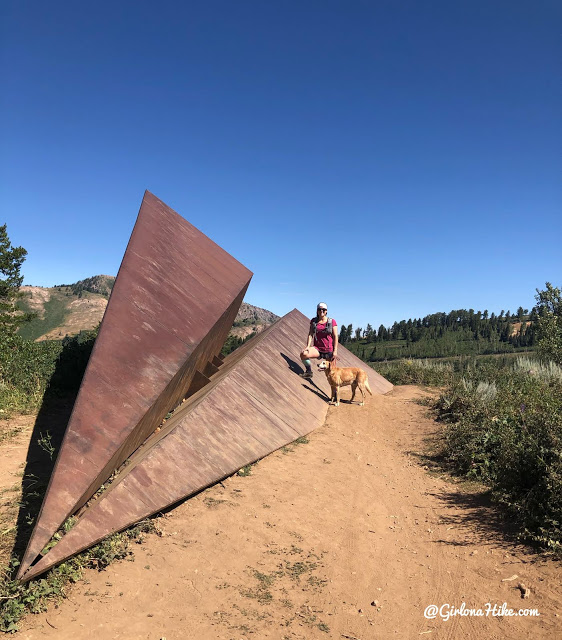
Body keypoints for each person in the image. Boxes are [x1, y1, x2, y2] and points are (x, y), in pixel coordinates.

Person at [299, 302, 338, 379]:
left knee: (332, 374)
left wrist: (335, 350)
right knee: (303, 354)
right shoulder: (314, 321)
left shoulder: (331, 322)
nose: (321, 311)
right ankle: (309, 372)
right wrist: (308, 346)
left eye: (324, 309)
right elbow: (310, 334)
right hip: (318, 349)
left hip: (329, 350)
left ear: (326, 311)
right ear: (317, 310)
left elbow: (335, 336)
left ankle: (335, 390)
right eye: (320, 309)